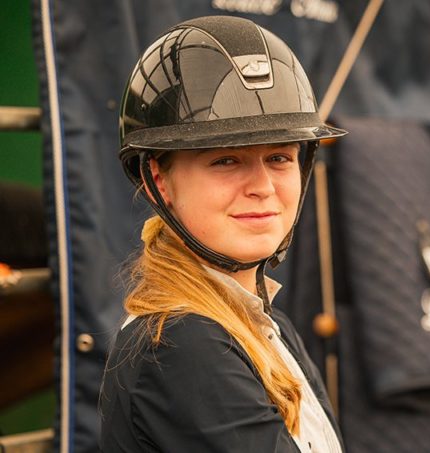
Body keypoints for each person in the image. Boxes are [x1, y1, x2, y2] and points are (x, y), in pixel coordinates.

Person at [99, 15, 347, 452]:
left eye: (279, 158)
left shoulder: (267, 325)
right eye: (226, 161)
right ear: (159, 180)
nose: (263, 187)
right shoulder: (179, 344)